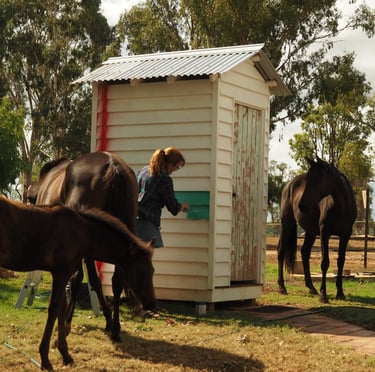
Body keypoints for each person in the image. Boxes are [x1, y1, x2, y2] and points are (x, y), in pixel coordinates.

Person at [135, 147, 190, 248]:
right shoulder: (164, 179)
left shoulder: (144, 170)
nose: (174, 171)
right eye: (176, 167)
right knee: (142, 261)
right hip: (147, 225)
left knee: (129, 258)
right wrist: (182, 206)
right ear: (170, 164)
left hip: (132, 221)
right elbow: (173, 208)